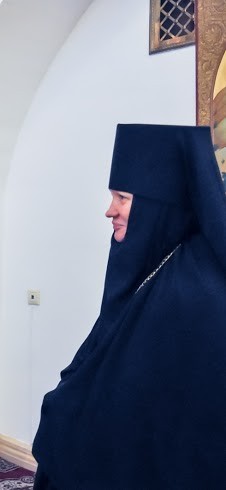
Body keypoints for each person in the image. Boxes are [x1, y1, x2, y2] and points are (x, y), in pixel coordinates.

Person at [33, 124, 226, 489]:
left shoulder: (198, 287)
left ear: (159, 203)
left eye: (122, 198)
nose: (110, 211)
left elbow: (164, 413)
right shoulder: (154, 261)